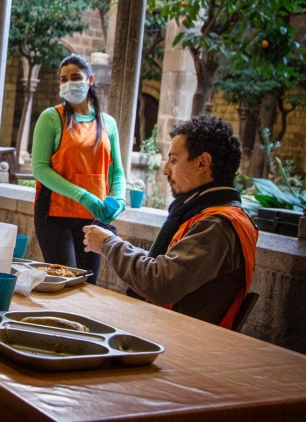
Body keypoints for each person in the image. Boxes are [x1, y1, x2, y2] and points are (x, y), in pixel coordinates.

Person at [83, 115, 258, 328]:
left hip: (183, 341)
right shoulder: (206, 212)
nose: (166, 169)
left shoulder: (217, 226)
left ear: (203, 163)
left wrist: (108, 243)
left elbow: (160, 282)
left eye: (174, 160)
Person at [32, 54, 126, 284]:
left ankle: (78, 323)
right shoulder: (51, 118)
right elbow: (40, 169)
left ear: (90, 80)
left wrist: (119, 200)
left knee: (87, 284)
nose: (68, 83)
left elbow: (117, 172)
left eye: (75, 77)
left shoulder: (108, 123)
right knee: (64, 282)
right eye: (63, 79)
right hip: (54, 216)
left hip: (93, 218)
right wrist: (83, 196)